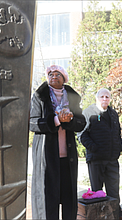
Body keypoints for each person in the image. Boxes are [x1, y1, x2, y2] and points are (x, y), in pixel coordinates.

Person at [29, 64, 86, 220]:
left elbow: (82, 123)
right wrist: (55, 120)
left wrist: (70, 119)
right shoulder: (39, 96)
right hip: (46, 159)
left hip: (67, 160)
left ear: (64, 79)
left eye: (58, 75)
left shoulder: (72, 98)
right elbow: (32, 123)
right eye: (51, 75)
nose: (54, 77)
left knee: (68, 200)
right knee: (47, 199)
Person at [77, 88, 122, 220]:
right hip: (96, 158)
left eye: (107, 97)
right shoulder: (88, 112)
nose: (104, 99)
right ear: (97, 98)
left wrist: (119, 147)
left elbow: (117, 133)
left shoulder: (113, 114)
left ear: (110, 99)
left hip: (112, 159)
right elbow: (81, 134)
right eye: (102, 97)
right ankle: (97, 216)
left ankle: (116, 214)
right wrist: (93, 147)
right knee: (97, 191)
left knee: (114, 190)